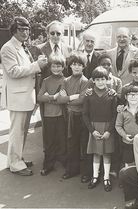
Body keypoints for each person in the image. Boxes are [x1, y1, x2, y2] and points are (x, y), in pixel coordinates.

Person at [0, 16, 47, 176]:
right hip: (17, 97)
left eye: (27, 29)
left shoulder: (22, 47)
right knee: (17, 132)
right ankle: (15, 164)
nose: (25, 32)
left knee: (22, 131)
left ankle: (16, 159)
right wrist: (36, 66)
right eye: (21, 29)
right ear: (13, 30)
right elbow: (13, 71)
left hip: (25, 96)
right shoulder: (8, 48)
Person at [82, 67, 117, 191]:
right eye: (98, 80)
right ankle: (95, 176)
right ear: (93, 81)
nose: (101, 82)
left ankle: (106, 178)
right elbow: (85, 114)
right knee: (96, 153)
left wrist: (109, 131)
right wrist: (92, 130)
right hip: (95, 128)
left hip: (108, 128)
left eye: (103, 79)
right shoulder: (89, 95)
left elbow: (115, 115)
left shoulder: (112, 95)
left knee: (106, 153)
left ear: (107, 80)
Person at [57, 51, 90, 180]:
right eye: (74, 64)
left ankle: (87, 173)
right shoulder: (65, 81)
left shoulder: (85, 81)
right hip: (69, 116)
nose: (76, 67)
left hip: (82, 117)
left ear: (84, 67)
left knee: (84, 143)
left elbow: (82, 100)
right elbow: (59, 99)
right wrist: (72, 97)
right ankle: (72, 170)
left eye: (79, 65)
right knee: (71, 143)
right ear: (70, 66)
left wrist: (68, 99)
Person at [37, 53, 67, 176]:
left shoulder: (66, 80)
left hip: (62, 115)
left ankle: (64, 162)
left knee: (62, 139)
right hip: (49, 116)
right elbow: (39, 97)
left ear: (63, 67)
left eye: (59, 66)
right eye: (53, 66)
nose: (56, 69)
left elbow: (65, 98)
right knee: (49, 141)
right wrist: (52, 97)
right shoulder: (46, 81)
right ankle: (48, 164)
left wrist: (49, 98)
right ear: (50, 67)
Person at [115, 85, 138, 167]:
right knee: (128, 162)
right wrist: (124, 135)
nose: (133, 97)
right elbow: (118, 126)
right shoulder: (122, 111)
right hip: (128, 142)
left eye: (136, 95)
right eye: (130, 94)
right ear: (126, 97)